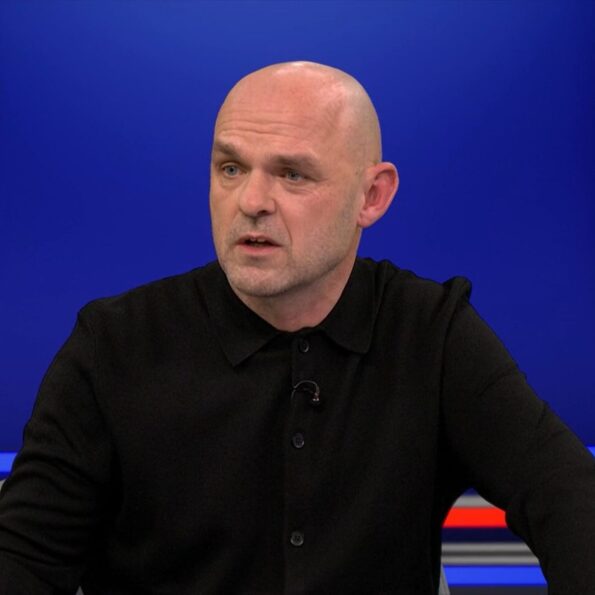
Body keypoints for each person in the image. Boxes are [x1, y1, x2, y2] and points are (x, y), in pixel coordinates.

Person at [0, 61, 594, 594]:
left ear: (372, 196)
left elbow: (566, 496)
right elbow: (25, 556)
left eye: (292, 175)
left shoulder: (432, 332)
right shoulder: (114, 344)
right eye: (231, 168)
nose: (251, 200)